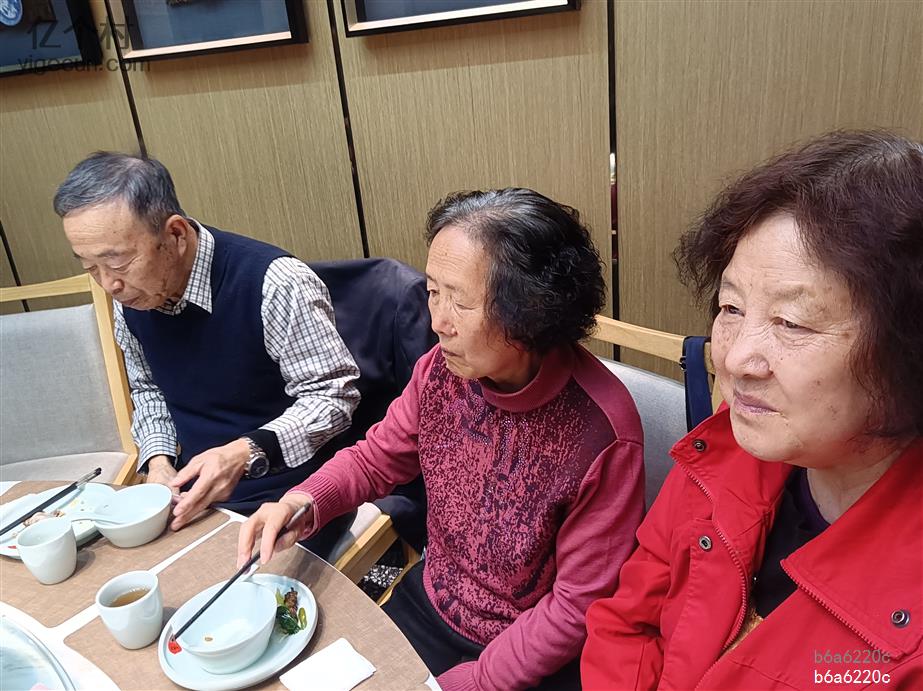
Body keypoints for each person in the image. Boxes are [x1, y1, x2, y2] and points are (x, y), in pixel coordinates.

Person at [239, 188, 645, 690]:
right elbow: (376, 459)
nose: (438, 322)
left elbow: (576, 605)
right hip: (431, 604)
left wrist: (475, 681)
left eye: (460, 301)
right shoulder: (439, 372)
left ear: (530, 311)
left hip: (529, 653)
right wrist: (303, 501)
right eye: (433, 291)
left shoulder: (602, 433)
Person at [581, 130, 923, 689]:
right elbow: (627, 620)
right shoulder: (722, 456)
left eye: (792, 322)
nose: (735, 358)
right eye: (731, 308)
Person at [54, 152, 361, 558]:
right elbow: (147, 388)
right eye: (90, 268)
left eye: (118, 262)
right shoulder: (132, 296)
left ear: (175, 234)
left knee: (234, 594)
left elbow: (334, 396)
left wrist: (245, 452)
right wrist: (159, 462)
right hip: (191, 494)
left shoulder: (274, 282)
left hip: (291, 496)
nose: (109, 284)